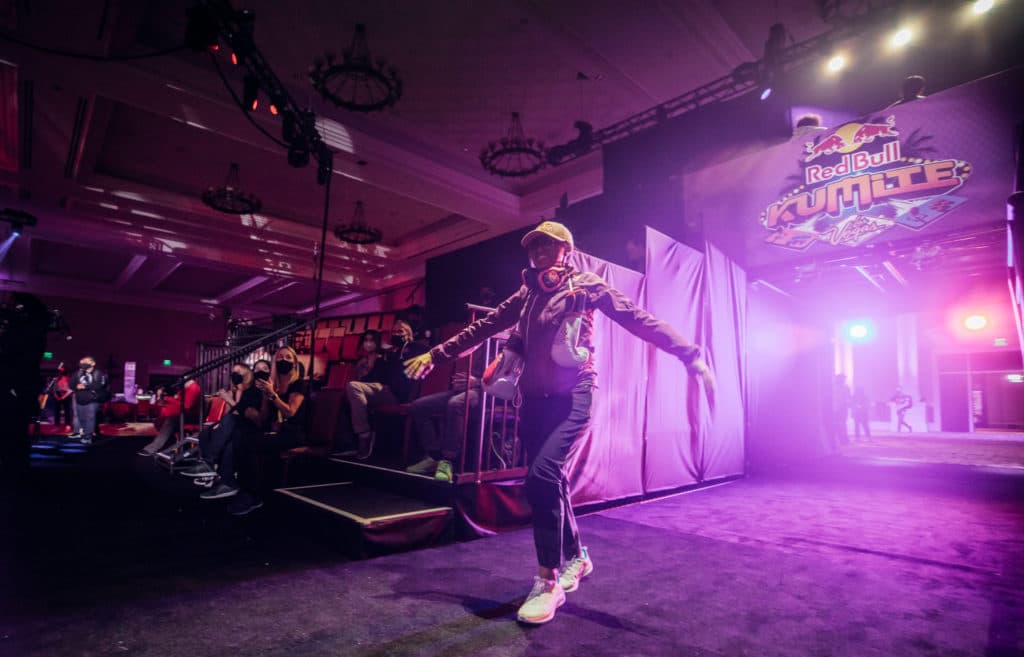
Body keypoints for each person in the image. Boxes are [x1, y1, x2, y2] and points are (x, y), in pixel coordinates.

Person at [404, 220, 714, 625]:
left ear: (565, 251)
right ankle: (579, 558)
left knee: (541, 477)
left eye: (547, 247)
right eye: (533, 249)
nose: (538, 254)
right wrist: (436, 354)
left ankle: (548, 581)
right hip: (534, 402)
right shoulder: (527, 295)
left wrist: (689, 354)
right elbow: (485, 327)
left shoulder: (587, 286)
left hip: (575, 396)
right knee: (551, 481)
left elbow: (637, 318)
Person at [226, 347, 309, 515]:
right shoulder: (272, 384)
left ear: (294, 362)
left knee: (249, 443)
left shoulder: (298, 383)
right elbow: (263, 418)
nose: (283, 360)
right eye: (279, 358)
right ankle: (243, 488)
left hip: (296, 433)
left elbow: (290, 412)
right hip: (278, 432)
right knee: (242, 437)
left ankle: (253, 494)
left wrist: (272, 395)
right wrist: (264, 396)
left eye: (288, 357)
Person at [346, 321, 428, 460]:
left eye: (400, 331)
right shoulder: (388, 354)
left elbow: (431, 352)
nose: (396, 334)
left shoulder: (415, 348)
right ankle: (364, 435)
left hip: (400, 394)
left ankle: (365, 436)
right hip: (384, 390)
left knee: (355, 391)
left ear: (409, 334)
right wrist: (375, 362)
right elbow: (377, 376)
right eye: (394, 331)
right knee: (352, 387)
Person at [183, 362, 263, 490]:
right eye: (233, 372)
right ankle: (212, 472)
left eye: (238, 372)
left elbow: (250, 415)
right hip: (236, 424)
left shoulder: (254, 391)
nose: (234, 375)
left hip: (249, 427)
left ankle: (211, 465)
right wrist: (229, 400)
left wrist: (228, 400)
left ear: (247, 374)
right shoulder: (235, 390)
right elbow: (229, 413)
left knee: (230, 436)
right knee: (207, 432)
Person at [405, 352, 483, 482]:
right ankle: (434, 456)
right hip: (469, 389)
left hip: (487, 393)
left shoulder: (507, 344)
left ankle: (448, 460)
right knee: (419, 406)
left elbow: (507, 380)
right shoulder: (485, 344)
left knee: (455, 403)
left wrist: (477, 382)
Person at [137, 378, 202, 456]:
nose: (180, 382)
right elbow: (179, 401)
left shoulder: (193, 388)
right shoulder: (186, 389)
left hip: (194, 417)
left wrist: (168, 399)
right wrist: (168, 400)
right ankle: (166, 446)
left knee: (171, 420)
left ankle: (152, 448)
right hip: (187, 414)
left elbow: (187, 406)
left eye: (183, 379)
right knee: (163, 418)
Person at [69, 356, 109, 444]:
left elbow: (99, 385)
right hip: (80, 399)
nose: (83, 364)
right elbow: (71, 384)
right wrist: (76, 386)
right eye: (83, 362)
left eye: (86, 362)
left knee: (90, 418)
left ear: (93, 363)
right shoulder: (78, 373)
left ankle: (88, 436)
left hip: (92, 399)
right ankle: (85, 433)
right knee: (81, 418)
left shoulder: (98, 373)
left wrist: (85, 386)